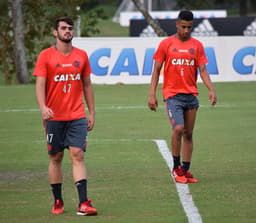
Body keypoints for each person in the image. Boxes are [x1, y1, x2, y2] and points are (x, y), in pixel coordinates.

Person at [33, 17, 97, 215]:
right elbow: (40, 85)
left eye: (70, 28)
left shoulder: (82, 56)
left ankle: (83, 203)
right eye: (63, 28)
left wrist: (91, 112)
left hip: (76, 114)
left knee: (77, 154)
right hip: (54, 116)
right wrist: (43, 107)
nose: (67, 31)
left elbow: (87, 85)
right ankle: (58, 201)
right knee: (56, 157)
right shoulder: (45, 56)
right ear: (55, 32)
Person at [148, 10, 217, 184]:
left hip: (191, 96)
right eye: (183, 26)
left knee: (188, 134)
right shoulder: (166, 44)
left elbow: (203, 70)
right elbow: (156, 70)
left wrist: (211, 89)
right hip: (173, 95)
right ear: (177, 24)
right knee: (178, 128)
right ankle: (176, 168)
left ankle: (185, 170)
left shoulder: (197, 46)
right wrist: (152, 94)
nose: (186, 30)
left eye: (189, 27)